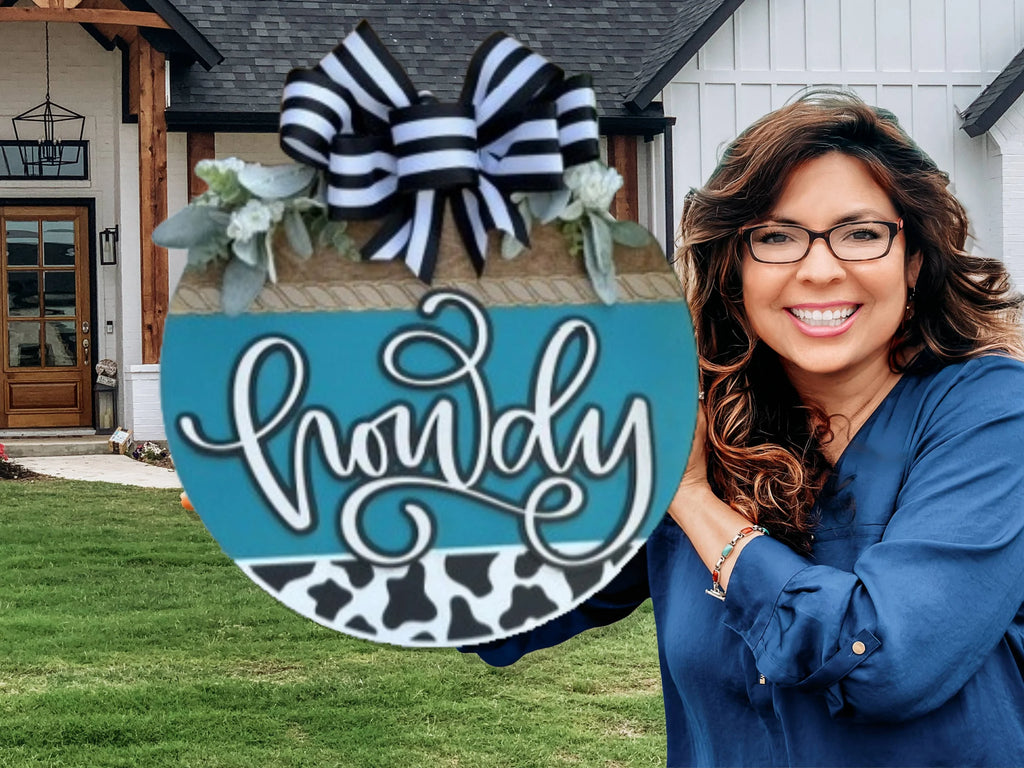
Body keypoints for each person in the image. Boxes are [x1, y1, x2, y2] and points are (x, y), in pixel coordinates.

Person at [465, 91, 1024, 767]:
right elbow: (505, 607)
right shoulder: (707, 421)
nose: (820, 269)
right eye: (777, 237)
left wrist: (696, 500)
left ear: (912, 261)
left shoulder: (992, 414)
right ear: (736, 271)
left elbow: (884, 661)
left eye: (861, 233)